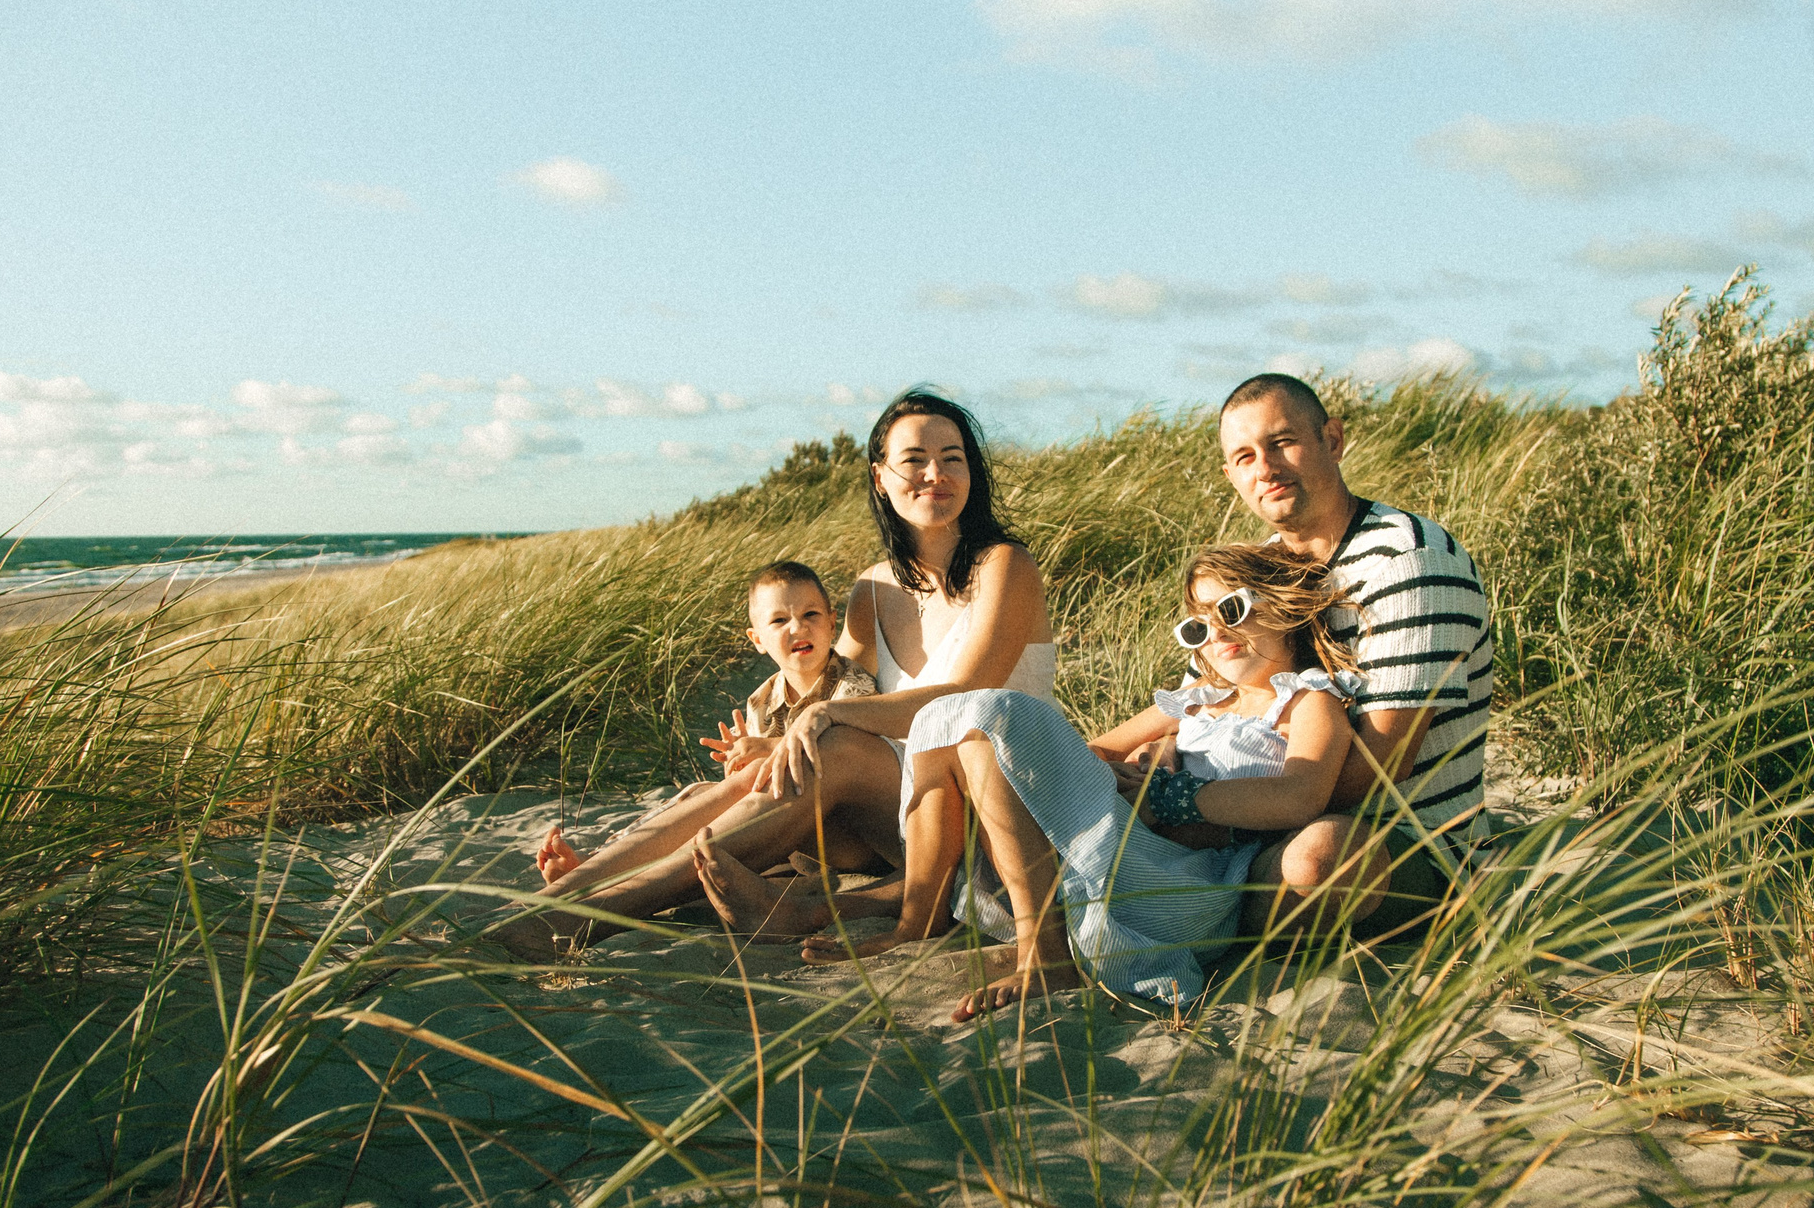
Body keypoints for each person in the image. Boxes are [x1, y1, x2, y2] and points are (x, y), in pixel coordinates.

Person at [499, 389, 1054, 956]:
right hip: (905, 817)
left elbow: (963, 697)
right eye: (914, 459)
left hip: (1002, 809)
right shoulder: (873, 588)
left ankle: (577, 920)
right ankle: (563, 892)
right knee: (764, 773)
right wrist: (772, 741)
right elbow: (824, 680)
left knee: (831, 749)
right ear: (880, 477)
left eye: (952, 458)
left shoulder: (1004, 565)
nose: (935, 474)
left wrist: (825, 715)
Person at [796, 545, 1361, 1020]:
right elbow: (1092, 750)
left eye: (1231, 610)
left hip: (1191, 887)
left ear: (1283, 607)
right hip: (1129, 852)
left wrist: (1168, 797)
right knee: (954, 723)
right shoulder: (1195, 701)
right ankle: (919, 920)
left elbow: (1299, 796)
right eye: (1198, 626)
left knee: (995, 710)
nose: (1216, 633)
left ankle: (1046, 956)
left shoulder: (1305, 702)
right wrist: (1128, 765)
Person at [1215, 373, 1493, 936]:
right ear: (1231, 476)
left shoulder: (1409, 562)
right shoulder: (1257, 573)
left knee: (1320, 860)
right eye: (1245, 457)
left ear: (1333, 441)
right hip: (1257, 812)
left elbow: (1382, 765)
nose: (1265, 468)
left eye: (1282, 443)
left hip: (1407, 843)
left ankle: (1179, 921)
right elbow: (1213, 697)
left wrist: (1205, 813)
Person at [507, 560, 875, 953]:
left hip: (844, 831)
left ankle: (603, 888)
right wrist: (742, 759)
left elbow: (844, 758)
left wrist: (767, 750)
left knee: (736, 798)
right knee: (701, 793)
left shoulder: (852, 687)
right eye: (779, 620)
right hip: (787, 842)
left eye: (810, 615)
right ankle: (602, 867)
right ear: (757, 639)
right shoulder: (763, 699)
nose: (797, 628)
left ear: (832, 622)